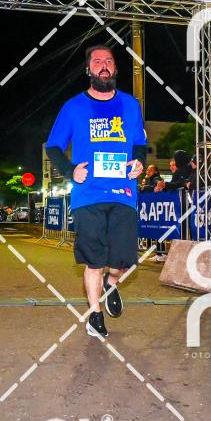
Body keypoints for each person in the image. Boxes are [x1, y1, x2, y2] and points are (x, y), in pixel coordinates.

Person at [45, 45, 147, 337]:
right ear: (88, 69)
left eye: (109, 61)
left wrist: (139, 162)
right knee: (94, 260)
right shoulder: (73, 107)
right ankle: (95, 314)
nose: (104, 65)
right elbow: (53, 146)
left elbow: (139, 143)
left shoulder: (130, 105)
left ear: (115, 69)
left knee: (122, 262)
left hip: (123, 193)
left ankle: (111, 283)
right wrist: (70, 171)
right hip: (87, 194)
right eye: (98, 61)